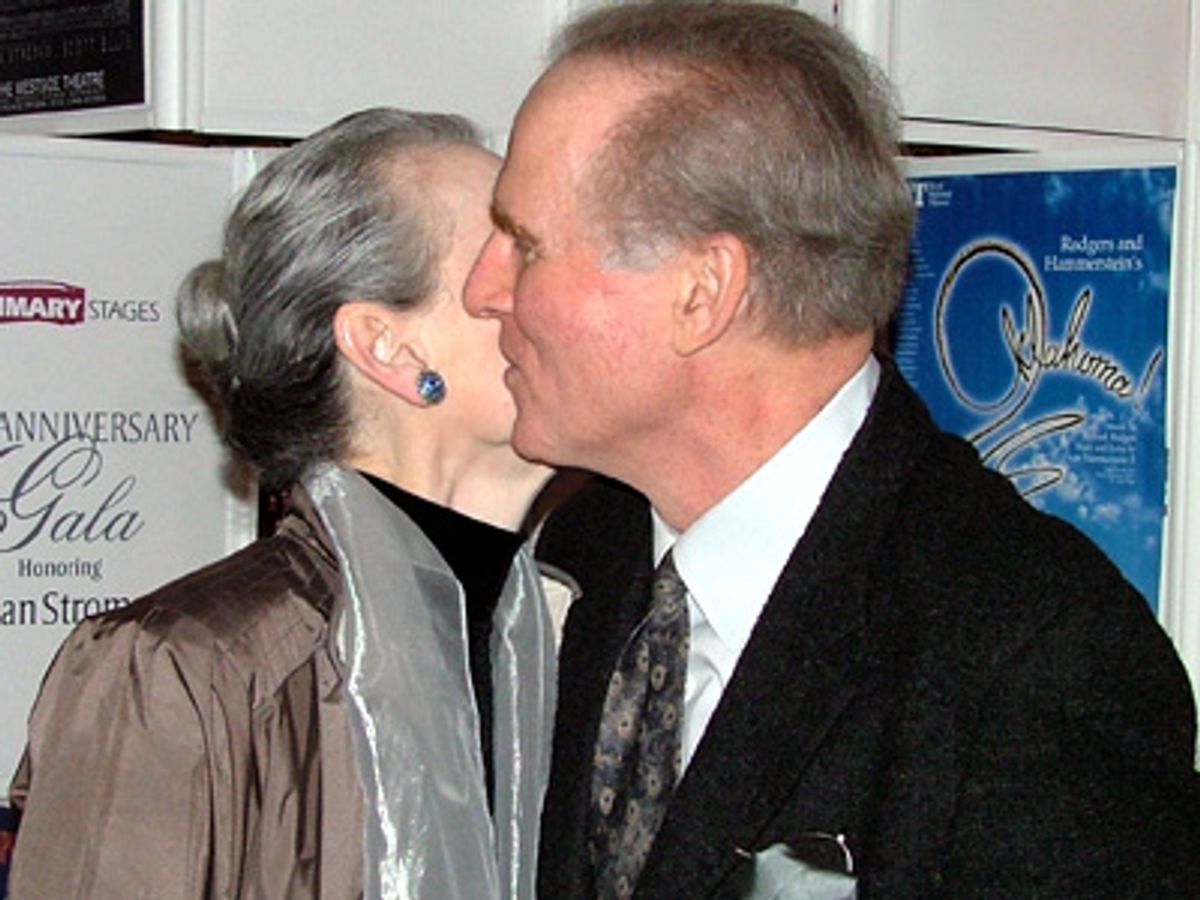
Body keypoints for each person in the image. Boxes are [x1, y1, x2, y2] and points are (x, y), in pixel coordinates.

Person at [463, 3, 1200, 898]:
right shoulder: (584, 554)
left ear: (703, 292)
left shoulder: (1032, 657)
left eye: (525, 245)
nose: (481, 289)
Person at [8, 107, 558, 899]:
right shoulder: (184, 668)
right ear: (390, 348)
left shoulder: (589, 636)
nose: (562, 288)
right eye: (511, 251)